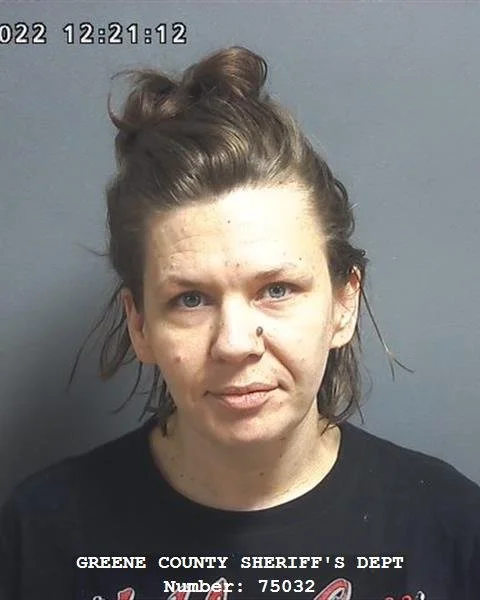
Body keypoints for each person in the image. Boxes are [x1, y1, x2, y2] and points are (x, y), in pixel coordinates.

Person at [0, 45, 479, 600]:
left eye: (276, 290)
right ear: (140, 325)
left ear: (343, 304)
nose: (234, 344)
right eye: (190, 299)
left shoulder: (452, 531)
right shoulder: (42, 537)